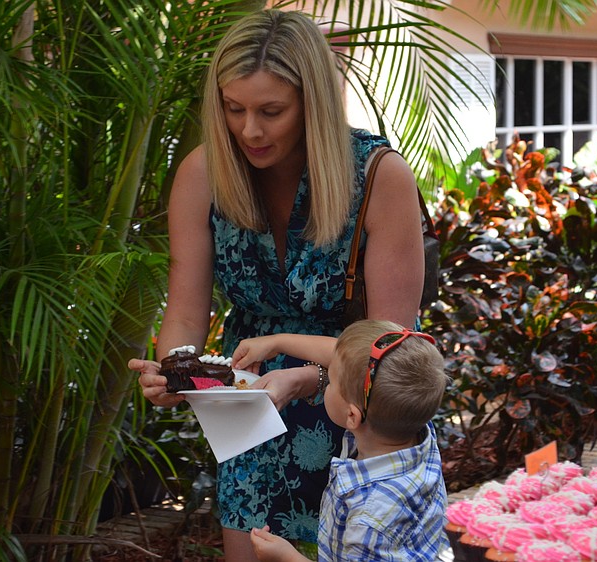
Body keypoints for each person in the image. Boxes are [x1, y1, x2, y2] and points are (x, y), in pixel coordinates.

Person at [128, 9, 425, 561]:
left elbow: (390, 353)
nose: (249, 130)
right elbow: (186, 317)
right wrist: (176, 371)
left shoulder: (379, 176)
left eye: (272, 111)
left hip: (360, 421)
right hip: (248, 414)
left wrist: (310, 377)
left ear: (312, 102)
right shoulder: (203, 173)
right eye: (233, 109)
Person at [233, 320, 449, 561]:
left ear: (351, 416)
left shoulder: (369, 516)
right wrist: (277, 342)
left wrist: (286, 557)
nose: (326, 378)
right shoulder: (412, 428)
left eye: (331, 380)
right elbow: (342, 354)